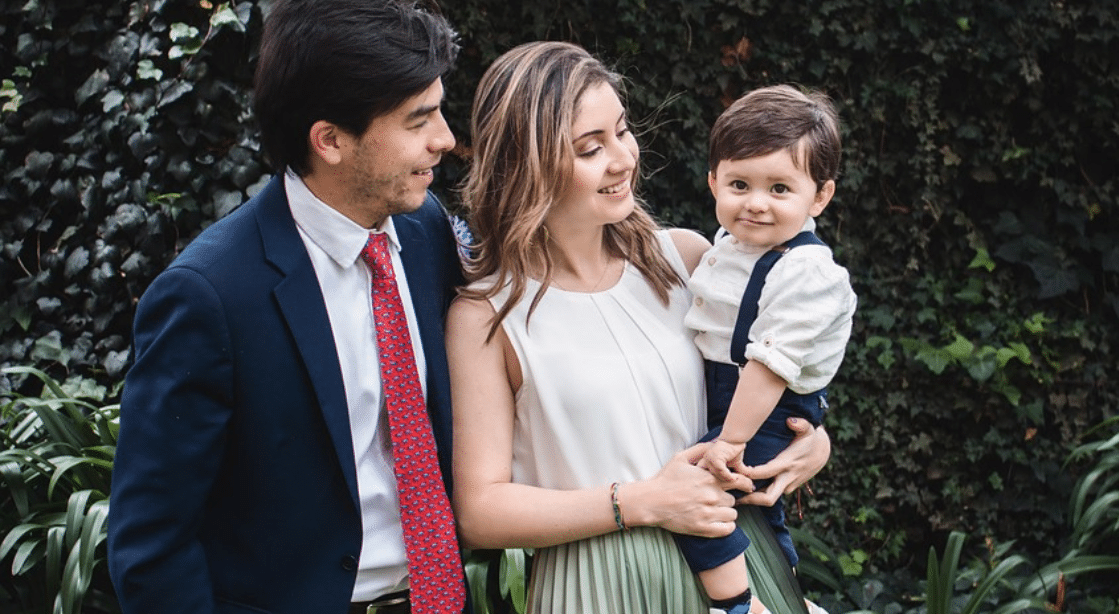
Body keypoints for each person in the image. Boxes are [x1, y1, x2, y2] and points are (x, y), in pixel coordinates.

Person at [445, 41, 832, 614]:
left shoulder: (689, 260)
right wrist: (644, 502)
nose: (624, 158)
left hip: (738, 568)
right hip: (598, 583)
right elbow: (479, 512)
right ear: (525, 166)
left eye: (621, 132)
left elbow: (772, 375)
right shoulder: (487, 315)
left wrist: (813, 443)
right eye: (590, 148)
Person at [107, 1, 468, 613]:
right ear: (329, 140)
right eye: (418, 120)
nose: (446, 139)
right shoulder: (208, 295)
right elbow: (151, 548)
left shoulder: (424, 229)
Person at [676, 85, 857, 614]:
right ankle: (789, 593)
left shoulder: (808, 272)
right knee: (761, 514)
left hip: (767, 407)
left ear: (819, 197)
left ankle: (738, 605)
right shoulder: (728, 247)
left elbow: (769, 369)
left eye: (780, 188)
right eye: (739, 184)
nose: (755, 203)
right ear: (713, 182)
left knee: (700, 495)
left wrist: (728, 444)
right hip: (733, 399)